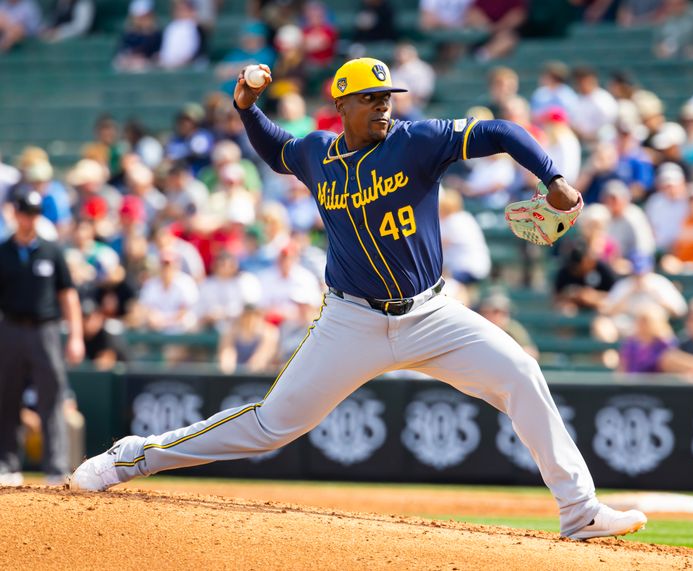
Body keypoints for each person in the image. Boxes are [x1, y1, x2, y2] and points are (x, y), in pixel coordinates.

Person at [68, 57, 647, 542]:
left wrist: (551, 176)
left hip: (432, 314)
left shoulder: (418, 141)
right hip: (350, 320)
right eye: (370, 98)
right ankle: (134, 457)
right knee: (272, 425)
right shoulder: (320, 153)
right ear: (341, 105)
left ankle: (580, 512)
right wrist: (246, 108)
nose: (384, 105)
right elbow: (276, 149)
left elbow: (496, 132)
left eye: (387, 96)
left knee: (521, 372)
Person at [0, 190, 84, 486]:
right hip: (9, 328)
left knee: (52, 397)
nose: (28, 219)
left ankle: (55, 467)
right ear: (15, 214)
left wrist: (76, 336)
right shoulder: (3, 251)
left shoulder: (52, 250)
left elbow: (68, 295)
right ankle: (7, 465)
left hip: (46, 330)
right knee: (6, 397)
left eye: (34, 214)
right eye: (25, 213)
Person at [618, 304, 675, 374]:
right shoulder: (630, 343)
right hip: (633, 383)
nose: (641, 325)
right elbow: (622, 369)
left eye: (645, 321)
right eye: (639, 321)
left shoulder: (664, 343)